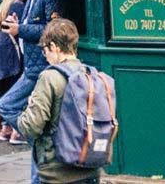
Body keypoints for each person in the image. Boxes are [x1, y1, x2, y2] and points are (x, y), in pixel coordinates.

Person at [14, 18, 100, 184]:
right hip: (90, 166)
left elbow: (31, 127)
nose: (45, 56)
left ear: (54, 47)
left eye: (45, 50)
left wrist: (29, 106)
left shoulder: (50, 77)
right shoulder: (92, 75)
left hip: (57, 171)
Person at [0, 0, 62, 145]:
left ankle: (37, 141)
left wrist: (21, 30)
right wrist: (19, 23)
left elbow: (53, 30)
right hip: (31, 66)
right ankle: (39, 144)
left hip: (41, 67)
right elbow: (32, 22)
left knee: (6, 105)